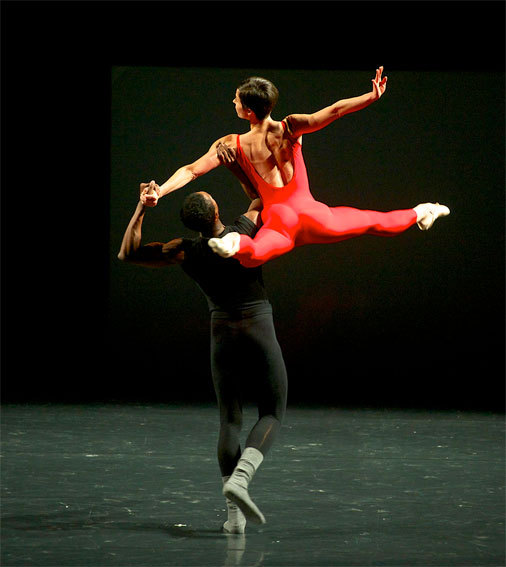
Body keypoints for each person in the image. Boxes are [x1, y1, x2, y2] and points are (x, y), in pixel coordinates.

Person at [140, 67, 450, 267]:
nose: (233, 103)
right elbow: (335, 110)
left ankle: (237, 245)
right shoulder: (290, 128)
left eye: (236, 101)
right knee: (374, 222)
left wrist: (160, 192)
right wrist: (370, 97)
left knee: (256, 254)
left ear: (248, 111)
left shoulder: (232, 144)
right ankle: (422, 212)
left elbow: (192, 170)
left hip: (280, 220)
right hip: (314, 214)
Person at [118, 183, 288, 533]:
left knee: (230, 420)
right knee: (272, 411)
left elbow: (128, 253)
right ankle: (241, 478)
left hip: (223, 332)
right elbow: (265, 194)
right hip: (258, 325)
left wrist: (143, 206)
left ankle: (234, 519)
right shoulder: (243, 230)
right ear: (215, 213)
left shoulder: (183, 250)